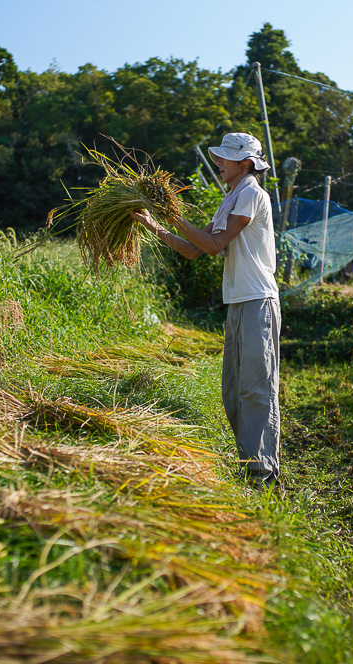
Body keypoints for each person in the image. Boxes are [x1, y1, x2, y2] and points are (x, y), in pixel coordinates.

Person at [131, 132, 281, 487]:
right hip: (238, 302)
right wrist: (155, 225)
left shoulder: (251, 194)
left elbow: (214, 245)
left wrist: (172, 212)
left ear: (245, 162)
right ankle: (250, 463)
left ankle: (263, 473)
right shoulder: (231, 197)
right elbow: (195, 249)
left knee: (256, 390)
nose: (219, 163)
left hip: (258, 300)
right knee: (234, 390)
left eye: (225, 158)